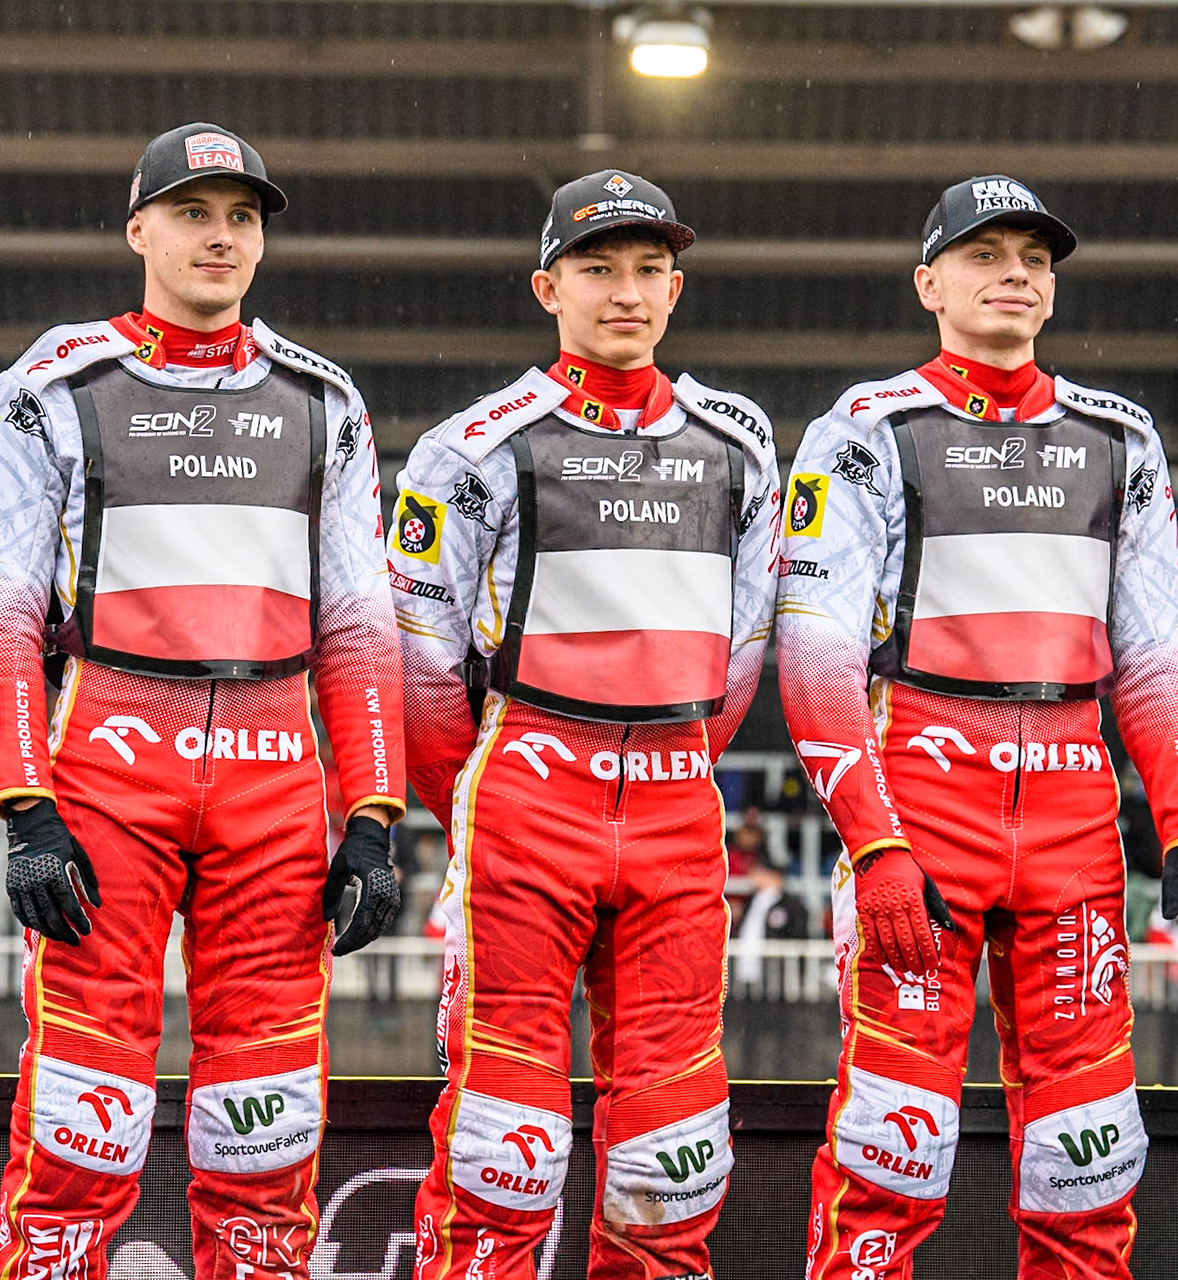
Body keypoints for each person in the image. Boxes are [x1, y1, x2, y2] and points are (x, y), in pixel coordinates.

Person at [0, 122, 405, 1280]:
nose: (221, 236)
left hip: (274, 770)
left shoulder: (325, 398)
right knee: (79, 1109)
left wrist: (373, 815)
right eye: (195, 212)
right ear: (138, 228)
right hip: (107, 761)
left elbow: (359, 625)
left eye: (242, 216)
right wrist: (24, 806)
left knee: (270, 1116)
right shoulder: (53, 383)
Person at [778, 175, 1178, 1279]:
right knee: (893, 1140)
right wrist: (876, 845)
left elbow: (1162, 654)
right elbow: (814, 656)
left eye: (1034, 254)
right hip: (923, 809)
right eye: (984, 254)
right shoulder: (865, 430)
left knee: (1090, 1150)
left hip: (1076, 819)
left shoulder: (1119, 438)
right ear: (929, 283)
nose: (1016, 271)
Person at [391, 170, 781, 1280]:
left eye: (648, 269)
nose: (626, 292)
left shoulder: (740, 442)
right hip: (523, 786)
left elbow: (744, 650)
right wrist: (480, 795)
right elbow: (417, 664)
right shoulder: (470, 446)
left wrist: (670, 763)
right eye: (598, 269)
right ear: (546, 287)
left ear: (676, 285)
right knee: (498, 1144)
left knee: (675, 1146)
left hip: (675, 797)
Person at [729, 858, 811, 999]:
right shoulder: (751, 902)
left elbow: (798, 935)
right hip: (746, 972)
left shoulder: (790, 905)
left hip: (777, 976)